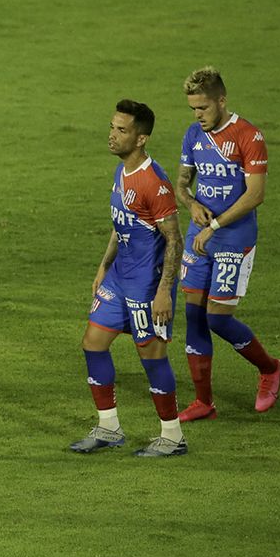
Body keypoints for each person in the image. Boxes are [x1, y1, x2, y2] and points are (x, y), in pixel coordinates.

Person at [70, 100, 187, 457]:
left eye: (121, 130)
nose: (112, 135)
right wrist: (104, 265)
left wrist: (164, 292)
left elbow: (175, 239)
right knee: (93, 343)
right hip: (119, 278)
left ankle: (173, 436)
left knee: (151, 357)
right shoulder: (123, 171)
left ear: (141, 139)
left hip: (146, 285)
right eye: (112, 127)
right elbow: (121, 223)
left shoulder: (155, 183)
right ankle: (109, 428)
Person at [175, 67, 280, 420]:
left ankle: (270, 369)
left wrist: (217, 224)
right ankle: (204, 402)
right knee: (193, 315)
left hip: (234, 238)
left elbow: (255, 195)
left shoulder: (248, 136)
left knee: (218, 318)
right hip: (200, 236)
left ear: (222, 100)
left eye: (203, 108)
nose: (198, 116)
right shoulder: (193, 135)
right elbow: (182, 185)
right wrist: (192, 205)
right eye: (193, 109)